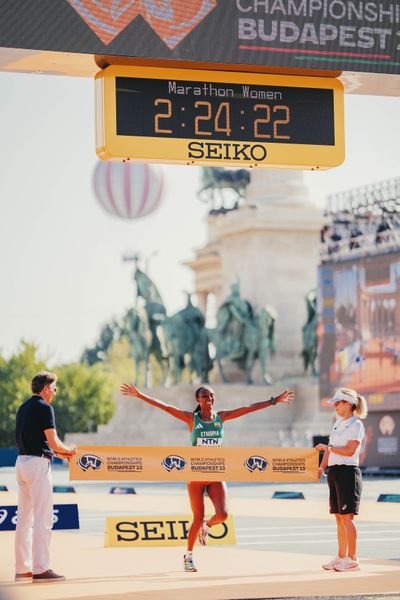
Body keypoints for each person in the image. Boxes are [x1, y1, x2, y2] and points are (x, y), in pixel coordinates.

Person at [120, 382, 294, 572]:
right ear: (198, 400)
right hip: (195, 474)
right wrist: (139, 395)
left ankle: (207, 526)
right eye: (204, 396)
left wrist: (274, 400)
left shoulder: (221, 417)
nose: (208, 399)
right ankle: (188, 556)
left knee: (223, 515)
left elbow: (248, 409)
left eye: (211, 396)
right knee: (197, 517)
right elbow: (165, 407)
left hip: (216, 473)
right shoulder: (191, 419)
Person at [15, 371, 77, 583]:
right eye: (54, 388)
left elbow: (39, 443)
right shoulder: (45, 407)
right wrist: (70, 451)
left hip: (22, 463)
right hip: (38, 466)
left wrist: (62, 454)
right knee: (43, 519)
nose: (55, 392)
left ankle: (22, 568)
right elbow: (54, 443)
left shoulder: (23, 408)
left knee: (23, 520)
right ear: (45, 389)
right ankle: (41, 569)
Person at [315, 387, 368, 572]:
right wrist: (322, 468)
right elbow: (329, 449)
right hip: (334, 473)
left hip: (348, 473)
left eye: (338, 403)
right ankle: (341, 557)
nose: (335, 406)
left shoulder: (356, 425)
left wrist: (328, 448)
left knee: (347, 518)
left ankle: (352, 559)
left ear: (348, 404)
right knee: (338, 518)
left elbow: (349, 450)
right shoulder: (337, 424)